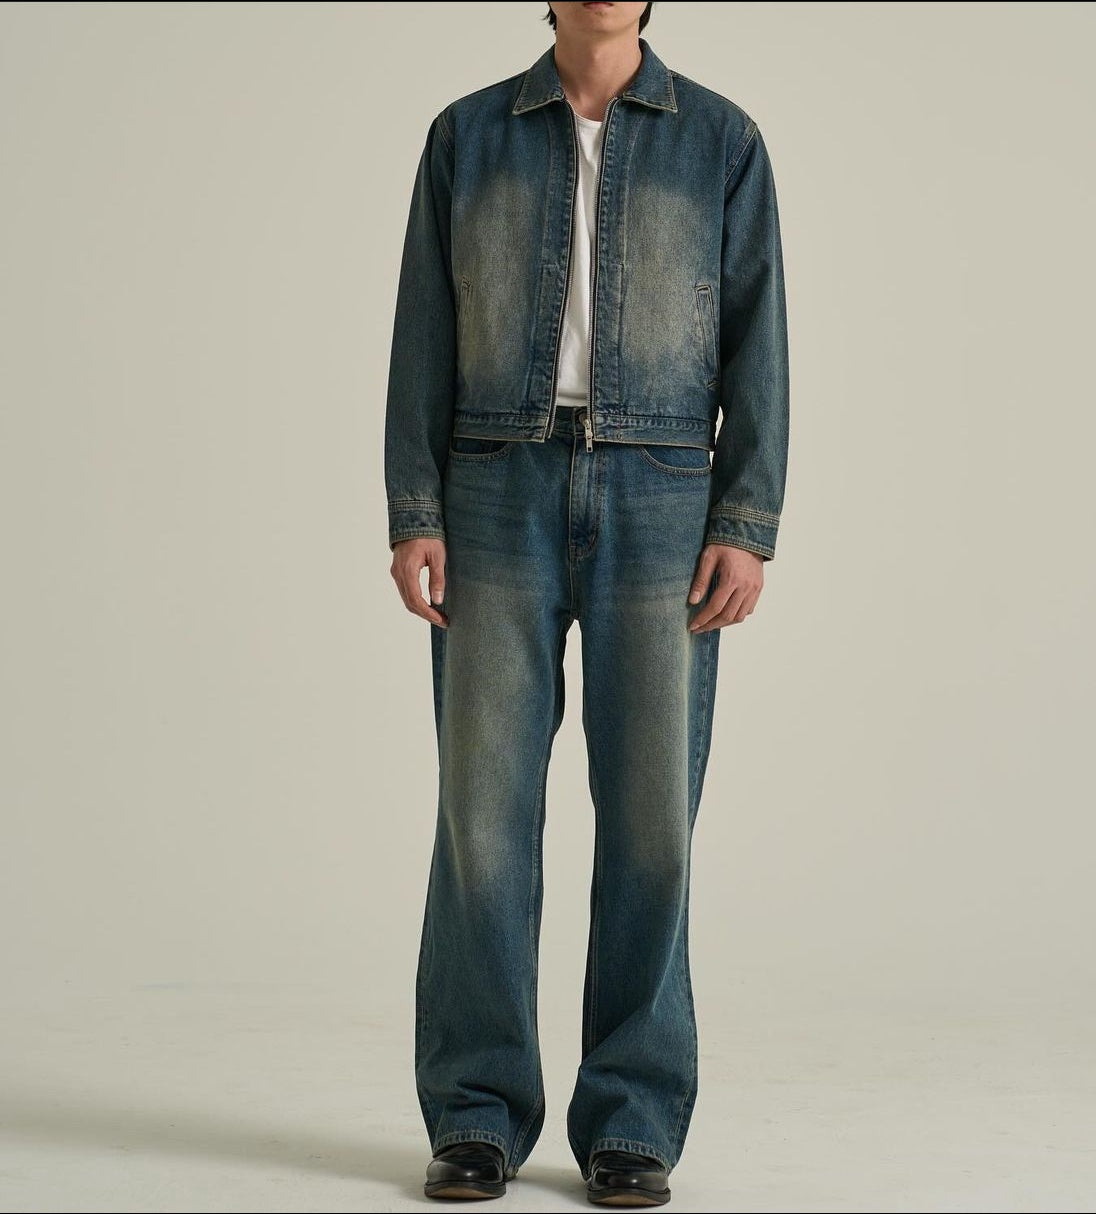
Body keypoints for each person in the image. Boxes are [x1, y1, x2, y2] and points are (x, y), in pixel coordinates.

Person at [383, 1, 788, 1204]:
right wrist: (415, 504)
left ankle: (631, 1118)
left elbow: (759, 338)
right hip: (492, 488)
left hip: (662, 501)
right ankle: (476, 1110)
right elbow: (422, 329)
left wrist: (744, 519)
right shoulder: (467, 136)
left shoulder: (722, 141)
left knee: (653, 821)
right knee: (483, 819)